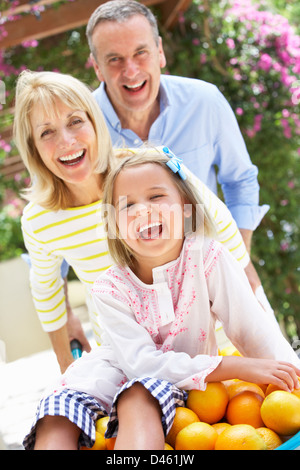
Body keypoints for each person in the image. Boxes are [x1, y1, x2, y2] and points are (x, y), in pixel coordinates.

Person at [23, 147, 300, 450]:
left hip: (161, 391)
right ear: (114, 224)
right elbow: (140, 363)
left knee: (139, 395)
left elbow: (254, 330)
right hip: (104, 380)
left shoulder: (207, 259)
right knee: (58, 413)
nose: (142, 210)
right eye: (127, 205)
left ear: (186, 207)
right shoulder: (109, 289)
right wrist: (238, 368)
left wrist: (291, 382)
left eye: (156, 197)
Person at [14, 69, 252, 374]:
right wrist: (67, 368)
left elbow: (223, 231)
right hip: (130, 366)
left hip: (211, 348)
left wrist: (252, 323)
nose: (66, 141)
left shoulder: (149, 168)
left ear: (94, 123)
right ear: (33, 147)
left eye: (75, 121)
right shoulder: (40, 221)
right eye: (46, 132)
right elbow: (46, 291)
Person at [86, 0, 269, 257]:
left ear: (159, 51)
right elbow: (56, 207)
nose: (131, 70)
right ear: (97, 67)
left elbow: (240, 180)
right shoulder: (80, 127)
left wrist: (239, 259)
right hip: (131, 286)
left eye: (141, 53)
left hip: (209, 265)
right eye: (115, 59)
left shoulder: (204, 102)